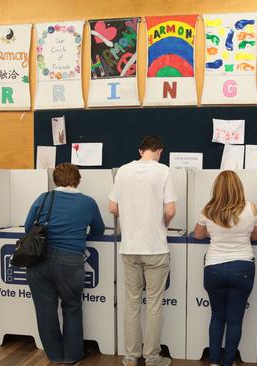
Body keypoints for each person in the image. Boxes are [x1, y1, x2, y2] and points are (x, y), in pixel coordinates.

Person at [24, 163, 105, 364]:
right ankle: (72, 356)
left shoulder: (43, 198)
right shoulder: (88, 203)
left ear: (55, 180)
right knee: (72, 307)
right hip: (70, 261)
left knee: (45, 310)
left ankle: (54, 355)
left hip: (39, 261)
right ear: (78, 180)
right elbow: (99, 230)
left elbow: (28, 227)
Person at [108, 135, 177, 366]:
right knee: (155, 304)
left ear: (140, 151)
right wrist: (161, 224)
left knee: (132, 303)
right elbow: (169, 210)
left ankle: (130, 357)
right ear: (159, 151)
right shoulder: (163, 171)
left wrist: (131, 217)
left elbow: (112, 207)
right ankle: (152, 358)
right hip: (155, 247)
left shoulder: (123, 171)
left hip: (129, 248)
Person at [193, 171, 257, 366]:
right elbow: (255, 236)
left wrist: (213, 233)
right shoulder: (251, 208)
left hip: (214, 267)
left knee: (217, 316)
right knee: (235, 320)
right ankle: (228, 361)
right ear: (239, 187)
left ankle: (214, 361)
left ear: (217, 188)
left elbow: (198, 234)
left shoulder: (209, 209)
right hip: (243, 268)